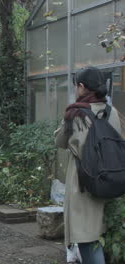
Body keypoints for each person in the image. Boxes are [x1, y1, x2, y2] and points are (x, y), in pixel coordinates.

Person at [55, 67, 121, 264]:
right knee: (99, 236)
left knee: (86, 238)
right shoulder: (113, 112)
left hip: (83, 182)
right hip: (111, 179)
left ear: (82, 87)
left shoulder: (76, 114)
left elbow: (59, 141)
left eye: (76, 85)